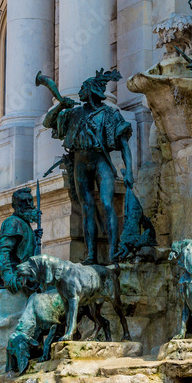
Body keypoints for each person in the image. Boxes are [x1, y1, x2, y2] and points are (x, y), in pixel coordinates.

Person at [39, 69, 133, 265]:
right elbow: (48, 122)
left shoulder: (109, 114)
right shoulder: (74, 113)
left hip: (101, 161)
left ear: (90, 91)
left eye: (83, 89)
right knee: (87, 208)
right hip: (80, 162)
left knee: (107, 205)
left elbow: (123, 143)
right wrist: (59, 107)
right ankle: (91, 255)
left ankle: (113, 252)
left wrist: (129, 171)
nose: (80, 92)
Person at [0, 188, 40, 307]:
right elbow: (2, 251)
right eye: (23, 201)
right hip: (16, 279)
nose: (28, 204)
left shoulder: (24, 224)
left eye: (30, 200)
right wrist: (8, 277)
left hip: (25, 277)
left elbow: (24, 252)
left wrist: (34, 238)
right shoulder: (13, 222)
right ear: (14, 205)